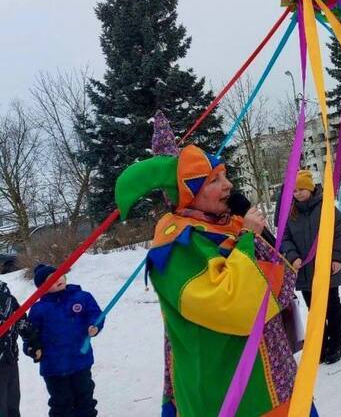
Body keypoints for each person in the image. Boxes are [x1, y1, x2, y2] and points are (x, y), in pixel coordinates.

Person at [114, 144, 298, 416]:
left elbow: (280, 287)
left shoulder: (230, 222)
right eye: (215, 180)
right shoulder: (177, 244)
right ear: (189, 193)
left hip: (275, 376)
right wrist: (248, 239)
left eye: (225, 176)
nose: (228, 186)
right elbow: (232, 303)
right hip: (230, 389)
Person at [281, 170, 341, 365]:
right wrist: (293, 257)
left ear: (310, 188)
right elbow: (285, 238)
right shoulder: (290, 213)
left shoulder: (327, 208)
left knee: (332, 307)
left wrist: (337, 258)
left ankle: (335, 344)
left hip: (327, 268)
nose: (298, 193)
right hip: (305, 272)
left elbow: (339, 233)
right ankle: (322, 343)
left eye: (301, 189)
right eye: (294, 190)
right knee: (315, 309)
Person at [25, 265, 103, 417]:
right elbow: (30, 334)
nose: (57, 280)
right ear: (42, 288)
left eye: (58, 275)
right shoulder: (39, 309)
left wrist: (95, 325)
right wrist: (34, 349)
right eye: (50, 280)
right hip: (54, 368)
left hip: (80, 361)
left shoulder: (82, 297)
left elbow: (95, 313)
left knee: (85, 399)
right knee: (62, 403)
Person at [0, 281, 38, 417]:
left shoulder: (7, 297)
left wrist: (33, 343)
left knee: (12, 406)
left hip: (10, 360)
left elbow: (21, 322)